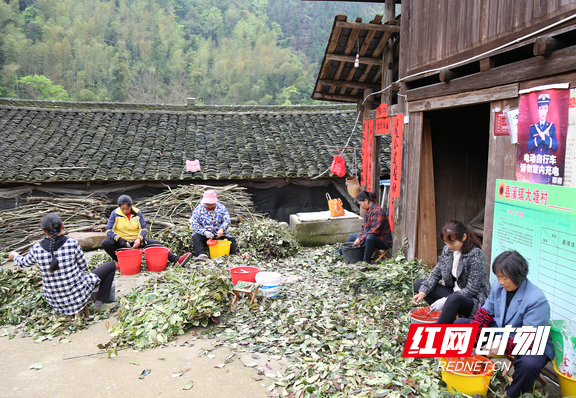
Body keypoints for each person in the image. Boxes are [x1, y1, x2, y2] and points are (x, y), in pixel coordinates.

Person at [454, 250, 554, 398]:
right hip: (501, 334)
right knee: (460, 324)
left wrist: (501, 344)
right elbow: (486, 313)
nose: (501, 281)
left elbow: (529, 339)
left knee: (529, 365)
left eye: (505, 277)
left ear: (518, 276)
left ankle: (512, 394)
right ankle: (459, 368)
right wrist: (473, 332)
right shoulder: (499, 287)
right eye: (498, 276)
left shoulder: (536, 300)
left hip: (532, 343)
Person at [8, 213, 116, 315]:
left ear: (44, 231)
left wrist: (15, 256)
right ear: (62, 226)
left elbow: (23, 263)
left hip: (54, 300)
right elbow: (84, 267)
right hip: (77, 295)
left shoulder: (37, 247)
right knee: (110, 266)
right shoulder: (72, 243)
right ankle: (99, 304)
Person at [412, 220, 490, 324]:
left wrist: (445, 300)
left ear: (464, 237)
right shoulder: (447, 251)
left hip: (473, 299)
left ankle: (439, 332)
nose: (449, 246)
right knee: (419, 285)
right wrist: (423, 292)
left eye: (452, 242)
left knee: (453, 299)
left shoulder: (475, 255)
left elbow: (472, 289)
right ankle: (448, 314)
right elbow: (437, 272)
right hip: (454, 292)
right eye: (446, 242)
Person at [102, 195, 191, 267]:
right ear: (119, 208)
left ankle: (176, 260)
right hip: (123, 243)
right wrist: (119, 239)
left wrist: (139, 238)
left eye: (127, 208)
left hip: (136, 241)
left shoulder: (137, 213)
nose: (125, 211)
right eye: (122, 209)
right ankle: (121, 261)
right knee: (106, 243)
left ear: (131, 206)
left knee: (157, 244)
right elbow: (108, 230)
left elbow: (144, 228)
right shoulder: (115, 214)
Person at [338, 191, 392, 263]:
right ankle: (338, 254)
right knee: (353, 237)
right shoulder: (368, 211)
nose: (361, 206)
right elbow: (363, 228)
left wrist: (361, 239)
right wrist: (359, 237)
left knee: (369, 238)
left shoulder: (377, 211)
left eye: (360, 204)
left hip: (384, 241)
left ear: (366, 201)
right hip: (371, 237)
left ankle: (366, 262)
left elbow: (374, 230)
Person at [190, 189, 238, 261]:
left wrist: (222, 229)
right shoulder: (198, 209)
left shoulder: (221, 208)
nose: (209, 206)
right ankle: (202, 255)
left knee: (232, 240)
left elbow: (227, 220)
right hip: (204, 234)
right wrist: (204, 232)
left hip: (219, 233)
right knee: (196, 237)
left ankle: (233, 256)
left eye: (212, 204)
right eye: (207, 204)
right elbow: (194, 223)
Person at [527, 93, 558, 184]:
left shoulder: (551, 127)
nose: (543, 111)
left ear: (548, 109)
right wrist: (541, 138)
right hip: (535, 169)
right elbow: (529, 147)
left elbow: (555, 147)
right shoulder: (533, 128)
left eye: (545, 108)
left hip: (545, 169)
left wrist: (544, 137)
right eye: (541, 108)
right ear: (538, 110)